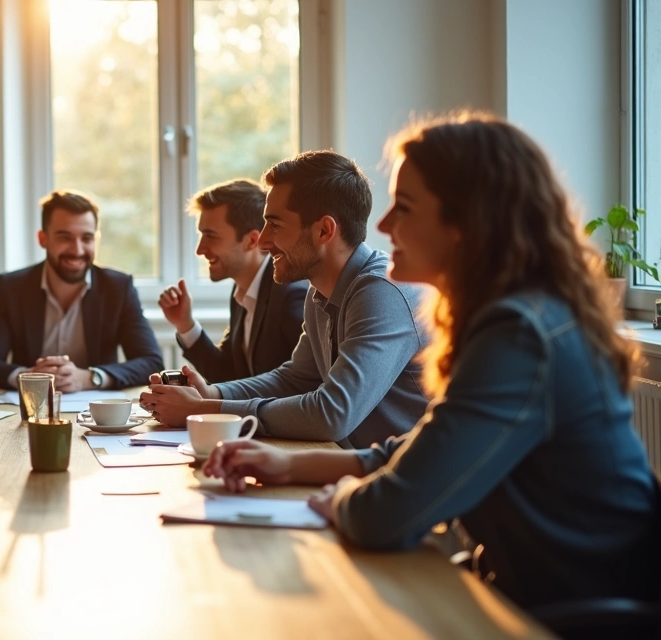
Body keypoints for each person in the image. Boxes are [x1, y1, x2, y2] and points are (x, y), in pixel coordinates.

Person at [205, 113, 661, 611]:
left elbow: (387, 514)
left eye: (404, 207)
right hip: (535, 594)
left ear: (467, 221)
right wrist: (288, 465)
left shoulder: (518, 334)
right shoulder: (506, 317)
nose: (381, 225)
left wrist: (332, 498)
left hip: (582, 612)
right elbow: (419, 447)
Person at [141, 151, 429, 448]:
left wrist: (205, 410)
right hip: (352, 467)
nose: (263, 242)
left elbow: (333, 414)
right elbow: (293, 379)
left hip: (413, 482)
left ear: (324, 230)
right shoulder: (319, 292)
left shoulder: (382, 292)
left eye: (275, 225)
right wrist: (212, 394)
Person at [0, 190, 164, 391]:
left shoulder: (118, 288)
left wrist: (90, 378)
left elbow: (151, 363)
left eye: (87, 238)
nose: (78, 250)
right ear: (43, 239)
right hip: (32, 410)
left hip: (97, 415)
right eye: (65, 238)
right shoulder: (12, 287)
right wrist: (28, 376)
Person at [158, 178, 307, 383]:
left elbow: (306, 385)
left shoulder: (291, 295)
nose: (200, 249)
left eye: (211, 236)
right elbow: (226, 374)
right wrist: (185, 325)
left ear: (252, 241)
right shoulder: (243, 290)